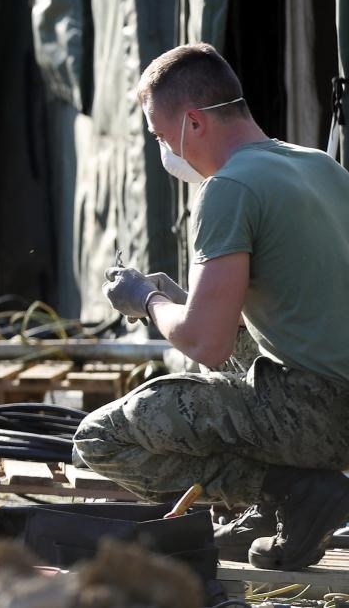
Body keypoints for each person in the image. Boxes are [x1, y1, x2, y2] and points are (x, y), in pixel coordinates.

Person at [75, 43, 349, 571]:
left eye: (161, 136)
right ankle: (278, 509)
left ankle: (292, 493)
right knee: (193, 359)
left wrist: (145, 299)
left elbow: (207, 341)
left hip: (322, 413)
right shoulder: (320, 167)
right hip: (330, 392)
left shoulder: (228, 188)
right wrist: (181, 301)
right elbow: (299, 304)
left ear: (194, 122)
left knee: (100, 438)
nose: (165, 151)